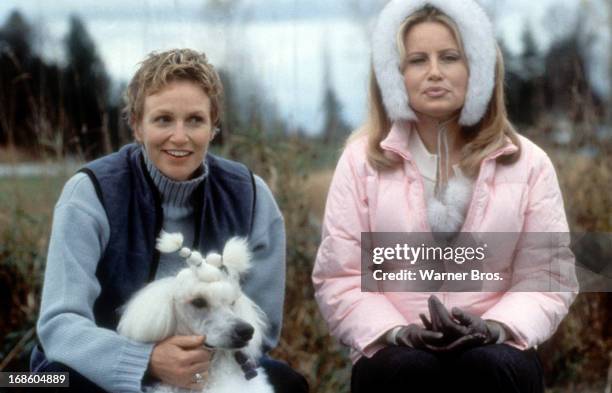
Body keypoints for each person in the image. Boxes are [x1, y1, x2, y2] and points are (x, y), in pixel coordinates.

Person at [312, 1, 576, 392]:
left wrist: (495, 327)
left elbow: (548, 276)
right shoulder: (360, 163)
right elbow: (342, 277)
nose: (434, 72)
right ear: (393, 75)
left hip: (497, 349)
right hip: (395, 350)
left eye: (450, 57)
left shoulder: (528, 163)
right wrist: (398, 333)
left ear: (480, 68)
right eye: (417, 60)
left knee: (488, 366)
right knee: (410, 369)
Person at [32, 48, 308, 393]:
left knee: (289, 383)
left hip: (209, 363)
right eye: (163, 119)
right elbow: (59, 325)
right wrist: (145, 360)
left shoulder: (251, 196)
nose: (180, 137)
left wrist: (195, 363)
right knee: (28, 384)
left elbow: (261, 331)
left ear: (214, 126)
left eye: (195, 120)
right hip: (82, 366)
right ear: (136, 125)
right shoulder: (89, 193)